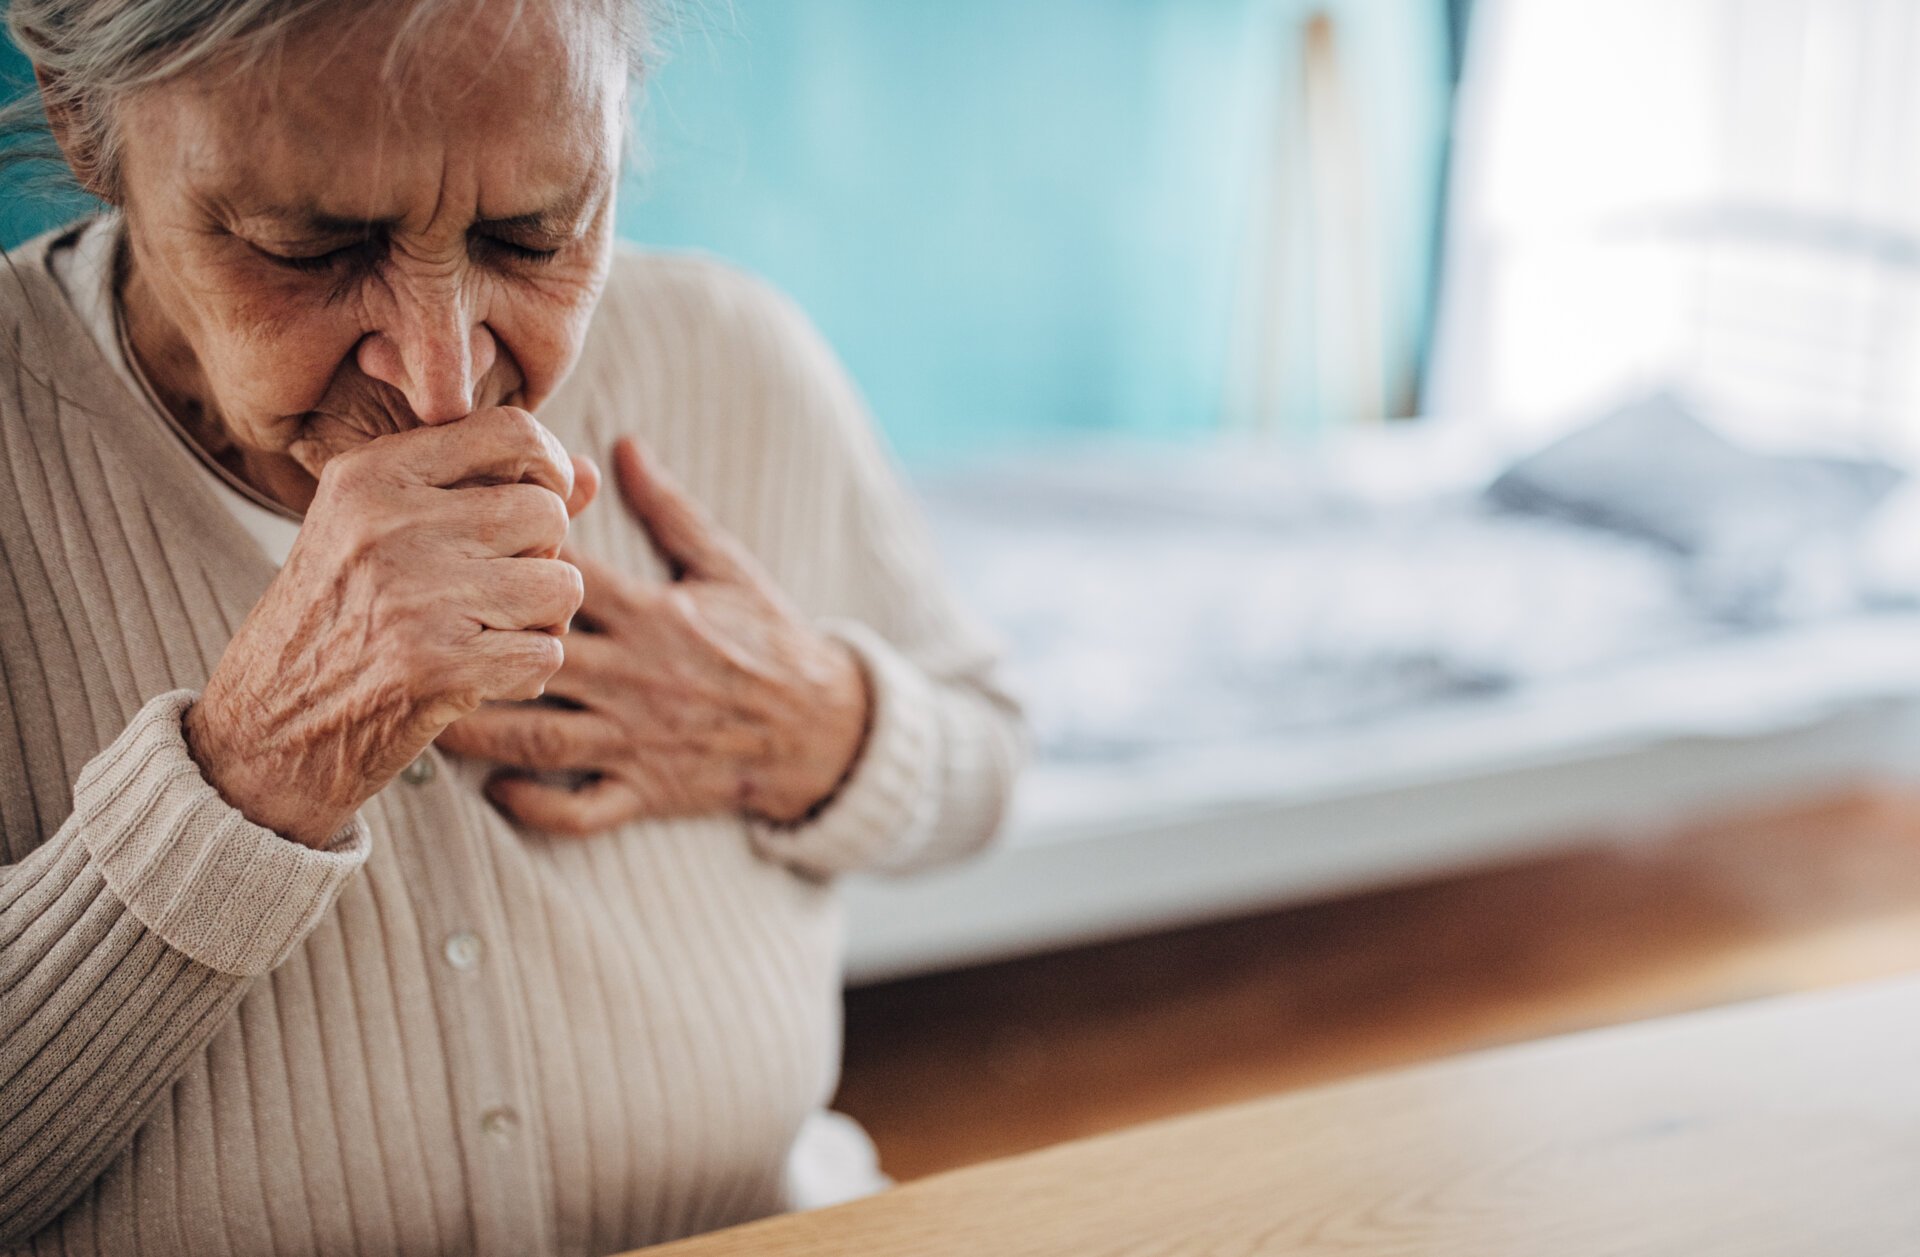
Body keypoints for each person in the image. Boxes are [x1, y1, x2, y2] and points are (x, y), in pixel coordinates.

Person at [0, 0, 1024, 1252]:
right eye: (311, 247)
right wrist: (252, 776)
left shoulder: (736, 353)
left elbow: (987, 758)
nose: (443, 377)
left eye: (534, 233)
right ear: (79, 110)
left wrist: (823, 726)